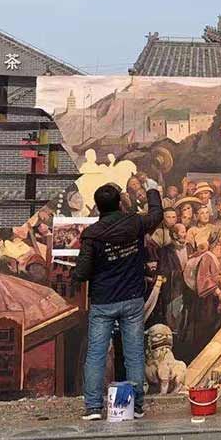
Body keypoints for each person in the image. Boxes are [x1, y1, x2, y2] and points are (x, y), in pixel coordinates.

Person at [74, 180, 163, 421]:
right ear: (119, 203)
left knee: (96, 354)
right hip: (132, 300)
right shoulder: (134, 223)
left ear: (98, 206)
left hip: (103, 302)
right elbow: (156, 215)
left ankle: (94, 407)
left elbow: (81, 273)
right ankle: (136, 406)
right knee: (134, 354)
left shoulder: (92, 234)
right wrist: (152, 190)